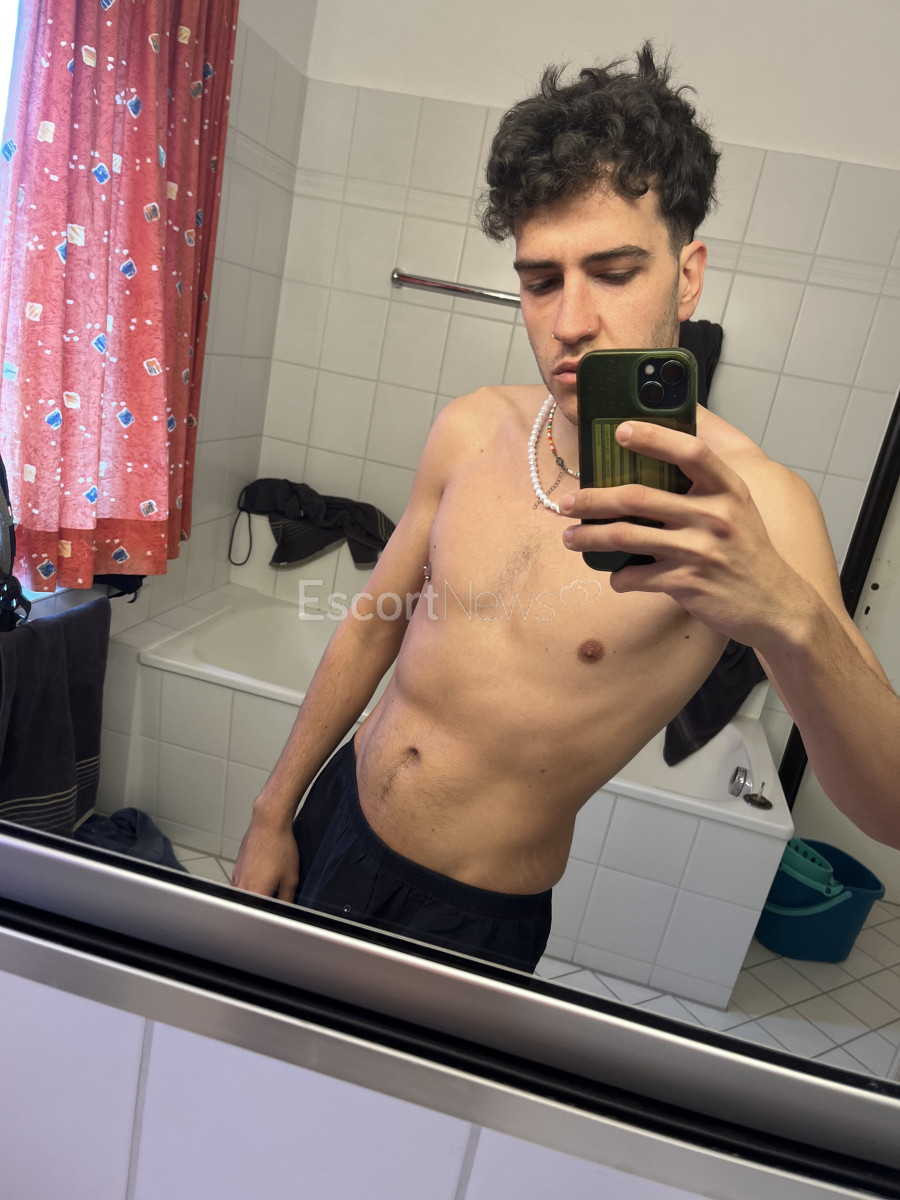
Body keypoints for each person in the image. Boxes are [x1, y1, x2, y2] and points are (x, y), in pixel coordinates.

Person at [232, 44, 898, 971]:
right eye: (541, 280)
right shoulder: (473, 427)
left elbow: (888, 811)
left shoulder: (756, 507)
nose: (571, 321)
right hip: (336, 816)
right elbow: (373, 626)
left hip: (470, 916)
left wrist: (787, 616)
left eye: (615, 272)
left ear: (689, 275)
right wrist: (273, 811)